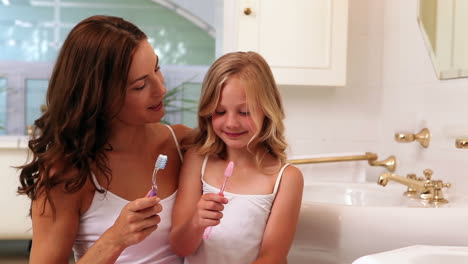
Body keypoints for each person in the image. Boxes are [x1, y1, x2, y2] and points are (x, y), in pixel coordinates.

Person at [17, 15, 191, 264]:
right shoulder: (67, 175)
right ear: (99, 96)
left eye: (156, 68)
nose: (161, 89)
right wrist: (115, 239)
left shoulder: (184, 144)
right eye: (140, 85)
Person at [170, 51, 304, 263]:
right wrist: (197, 221)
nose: (231, 123)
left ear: (267, 111)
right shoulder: (198, 160)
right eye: (220, 112)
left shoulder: (286, 178)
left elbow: (273, 257)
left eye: (244, 112)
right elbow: (180, 247)